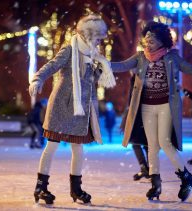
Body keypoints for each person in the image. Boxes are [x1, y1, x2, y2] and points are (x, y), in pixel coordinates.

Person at [97, 21, 192, 202]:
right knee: (152, 145)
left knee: (164, 141)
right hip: (146, 107)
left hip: (165, 105)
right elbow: (120, 66)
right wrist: (100, 62)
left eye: (152, 40)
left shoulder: (172, 58)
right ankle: (156, 184)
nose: (148, 43)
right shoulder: (140, 58)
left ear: (162, 41)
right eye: (146, 40)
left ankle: (187, 178)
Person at [28, 14, 116, 205]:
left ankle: (76, 189)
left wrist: (103, 66)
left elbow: (96, 79)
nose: (100, 41)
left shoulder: (94, 56)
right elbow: (52, 65)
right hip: (62, 104)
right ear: (88, 35)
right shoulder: (69, 49)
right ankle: (41, 187)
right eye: (98, 37)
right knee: (51, 146)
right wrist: (38, 78)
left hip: (81, 109)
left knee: (78, 148)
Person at [120, 75, 149, 181]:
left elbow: (134, 99)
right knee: (136, 143)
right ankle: (145, 167)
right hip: (136, 115)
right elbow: (131, 100)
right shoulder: (134, 78)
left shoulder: (141, 77)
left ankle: (150, 170)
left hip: (143, 114)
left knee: (145, 144)